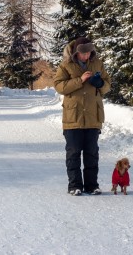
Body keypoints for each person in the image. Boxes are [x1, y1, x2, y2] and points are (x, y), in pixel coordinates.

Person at [53, 37, 111, 196]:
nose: (87, 56)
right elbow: (59, 86)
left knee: (92, 153)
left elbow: (108, 84)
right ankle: (74, 186)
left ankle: (92, 186)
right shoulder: (65, 65)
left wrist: (100, 84)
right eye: (83, 54)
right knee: (73, 153)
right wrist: (80, 80)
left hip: (93, 116)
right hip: (73, 117)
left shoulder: (98, 63)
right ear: (77, 52)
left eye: (89, 53)